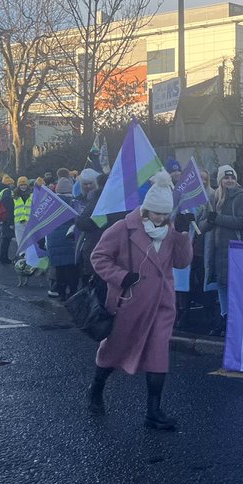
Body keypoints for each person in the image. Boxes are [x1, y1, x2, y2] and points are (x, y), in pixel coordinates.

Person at [88, 172, 194, 430]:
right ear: (146, 209)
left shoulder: (170, 230)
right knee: (113, 352)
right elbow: (99, 257)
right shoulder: (123, 228)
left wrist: (181, 233)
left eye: (164, 214)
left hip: (161, 304)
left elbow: (182, 262)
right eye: (155, 213)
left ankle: (153, 412)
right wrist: (121, 276)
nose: (159, 218)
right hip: (130, 303)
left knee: (159, 354)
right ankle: (96, 388)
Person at [202, 165, 243, 336]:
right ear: (220, 180)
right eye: (226, 178)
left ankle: (236, 321)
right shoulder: (213, 198)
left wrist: (218, 218)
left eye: (232, 178)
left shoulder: (240, 197)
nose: (229, 180)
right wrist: (209, 221)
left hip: (235, 249)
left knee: (235, 287)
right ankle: (225, 318)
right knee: (222, 286)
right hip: (217, 250)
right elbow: (203, 225)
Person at [46, 178, 80, 299]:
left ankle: (61, 294)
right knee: (71, 269)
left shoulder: (51, 204)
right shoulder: (73, 202)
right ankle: (72, 293)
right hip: (70, 240)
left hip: (53, 240)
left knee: (59, 269)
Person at [11, 177, 34, 259]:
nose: (23, 186)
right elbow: (11, 209)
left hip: (30, 221)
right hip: (18, 221)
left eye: (25, 184)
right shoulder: (14, 195)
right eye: (21, 185)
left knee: (30, 241)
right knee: (20, 241)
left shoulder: (32, 195)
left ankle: (30, 257)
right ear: (18, 185)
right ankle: (23, 257)